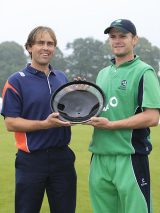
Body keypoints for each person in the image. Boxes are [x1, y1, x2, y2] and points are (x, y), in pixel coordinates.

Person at [86, 19, 160, 213]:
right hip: (100, 156)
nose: (117, 40)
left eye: (123, 36)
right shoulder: (102, 74)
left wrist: (111, 125)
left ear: (134, 40)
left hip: (130, 156)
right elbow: (98, 110)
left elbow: (152, 117)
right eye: (113, 36)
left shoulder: (144, 71)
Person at [1, 26, 77, 213]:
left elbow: (69, 113)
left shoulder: (61, 77)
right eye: (40, 43)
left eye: (50, 44)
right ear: (29, 47)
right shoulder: (16, 80)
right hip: (31, 160)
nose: (46, 48)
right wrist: (45, 124)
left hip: (63, 158)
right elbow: (11, 123)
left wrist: (81, 98)